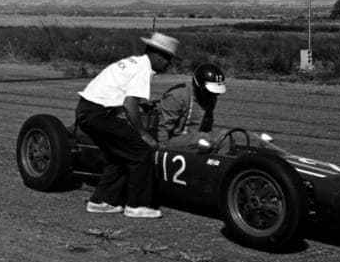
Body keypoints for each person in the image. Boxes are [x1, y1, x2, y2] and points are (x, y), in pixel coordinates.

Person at [76, 32, 179, 219]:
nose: (168, 64)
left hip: (87, 111)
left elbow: (121, 96)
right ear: (158, 55)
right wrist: (143, 134)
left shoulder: (134, 62)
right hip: (98, 114)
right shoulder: (143, 70)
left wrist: (142, 104)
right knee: (141, 151)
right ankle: (138, 205)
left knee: (119, 154)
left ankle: (101, 201)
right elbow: (129, 104)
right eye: (167, 59)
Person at [156, 63, 227, 151]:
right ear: (198, 86)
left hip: (196, 138)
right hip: (174, 141)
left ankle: (219, 162)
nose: (213, 95)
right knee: (201, 138)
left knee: (225, 135)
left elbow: (207, 126)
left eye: (216, 93)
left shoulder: (211, 98)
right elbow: (163, 128)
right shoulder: (177, 95)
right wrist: (162, 151)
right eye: (209, 91)